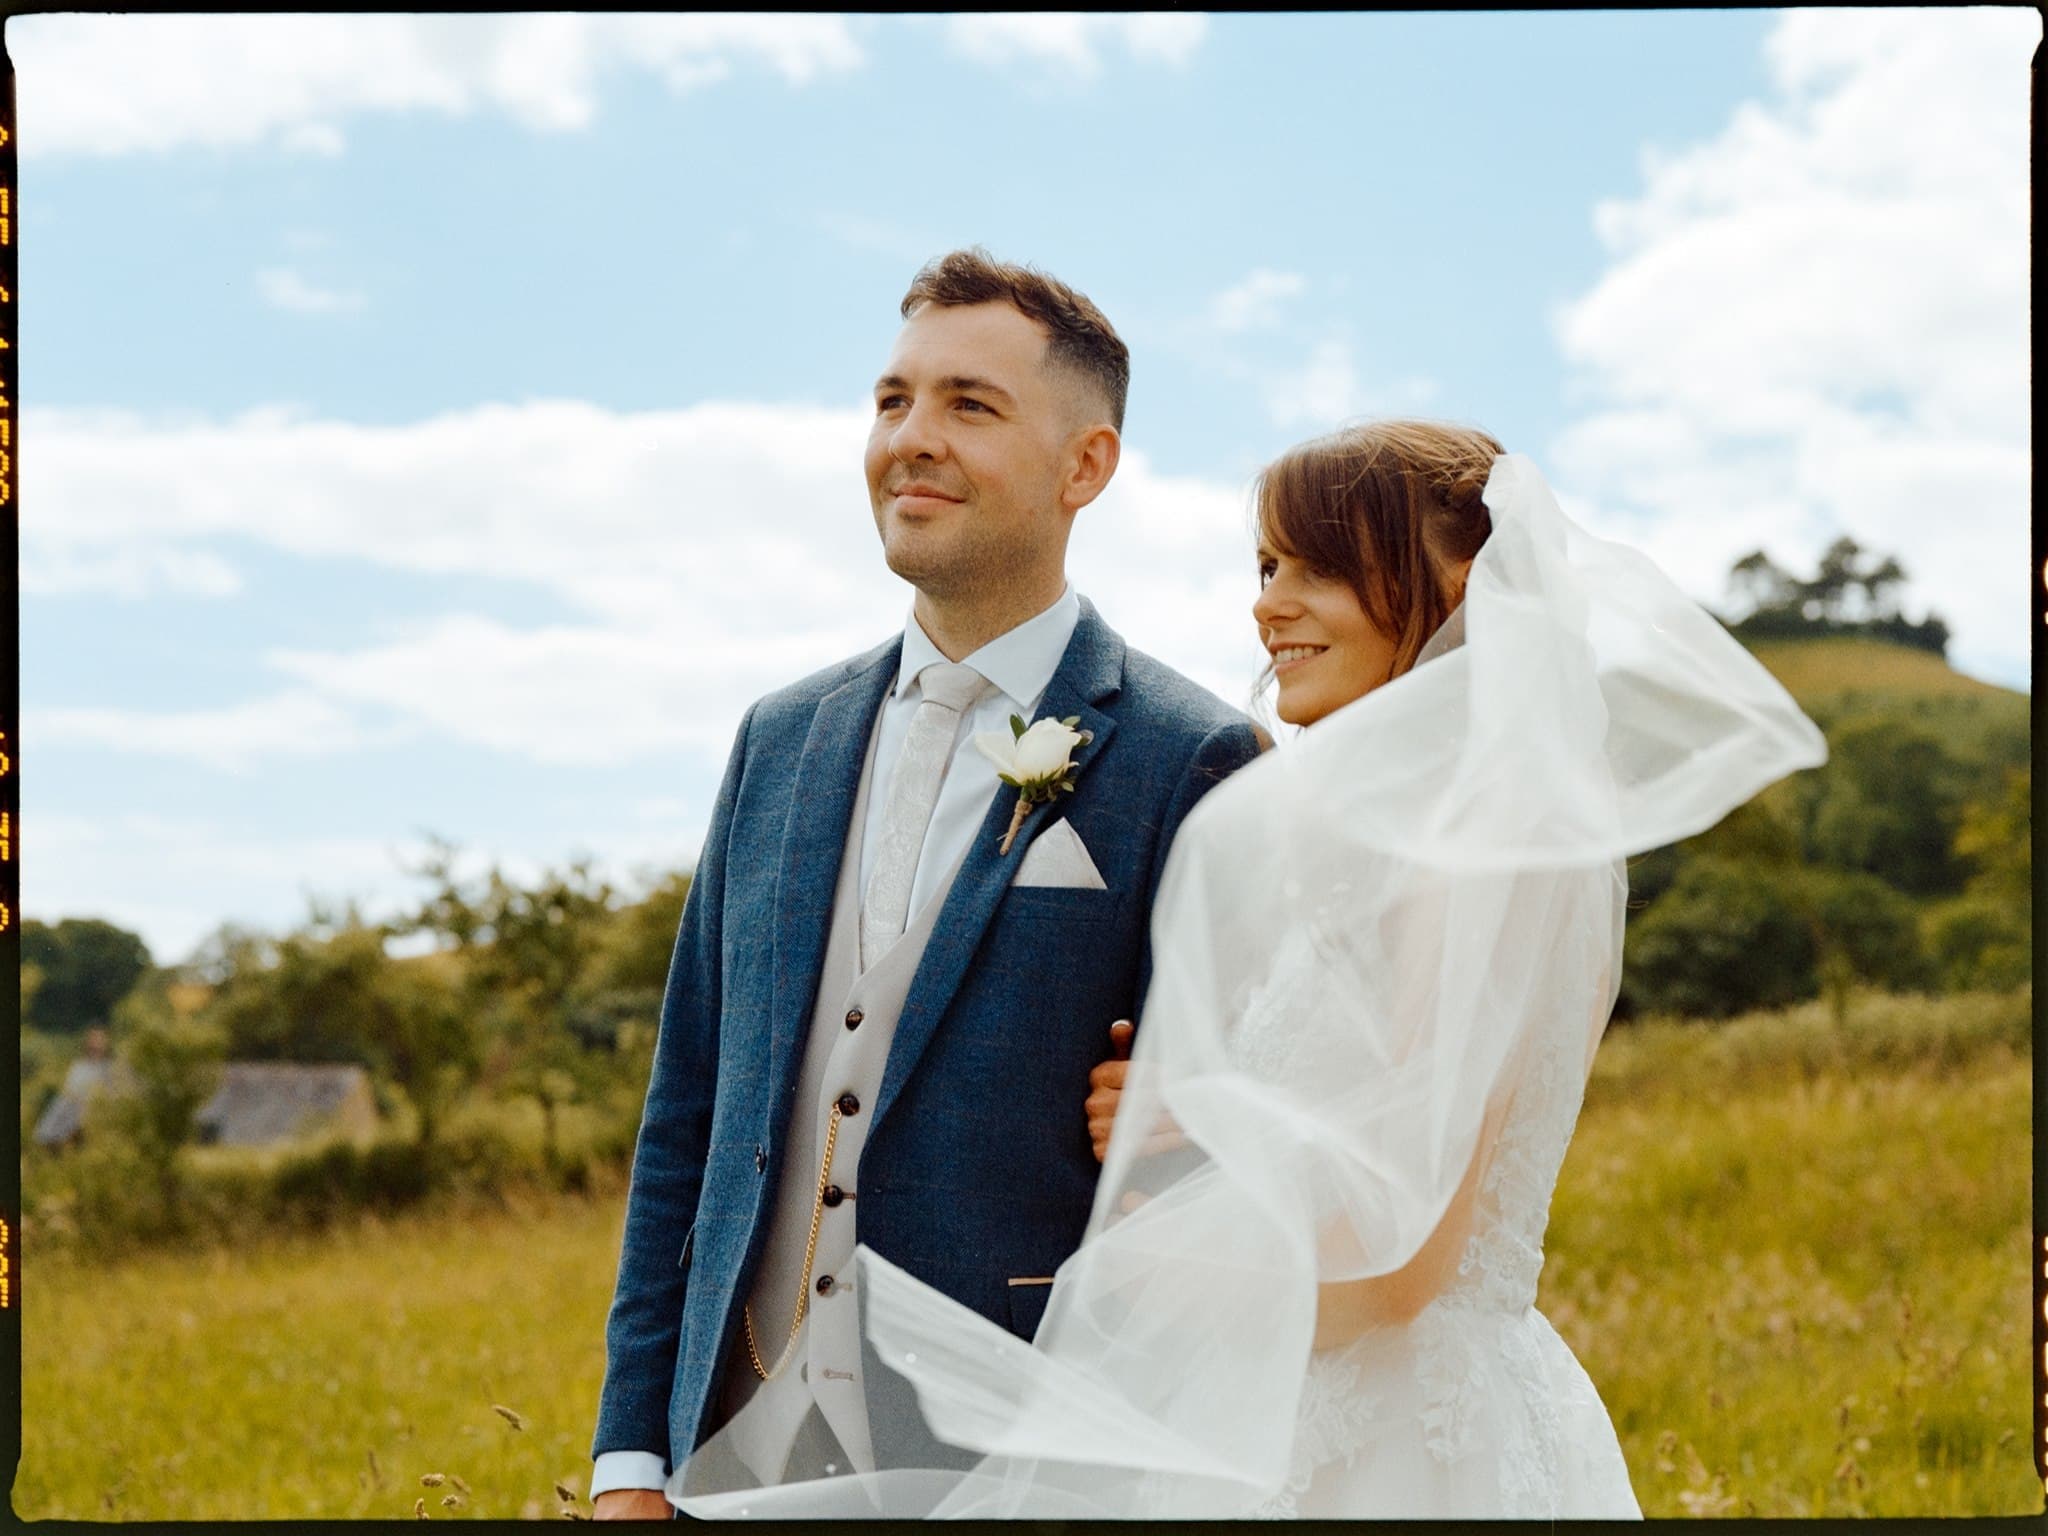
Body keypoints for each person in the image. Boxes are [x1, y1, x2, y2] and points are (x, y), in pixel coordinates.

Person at [668, 420, 1827, 1518]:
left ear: (1453, 594)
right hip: (1279, 1412)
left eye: (1311, 569)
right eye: (1265, 565)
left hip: (1382, 1438)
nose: (1267, 606)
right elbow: (1337, 1137)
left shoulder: (1486, 859)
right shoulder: (1376, 847)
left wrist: (1132, 1290)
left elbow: (1406, 1262)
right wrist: (1185, 1125)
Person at [587, 249, 1263, 1518]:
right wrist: (630, 1454)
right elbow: (686, 1107)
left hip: (1026, 1448)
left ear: (1085, 467)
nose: (911, 439)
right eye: (892, 400)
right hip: (725, 1445)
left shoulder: (1192, 757)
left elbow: (1213, 1153)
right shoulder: (775, 740)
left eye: (969, 404)